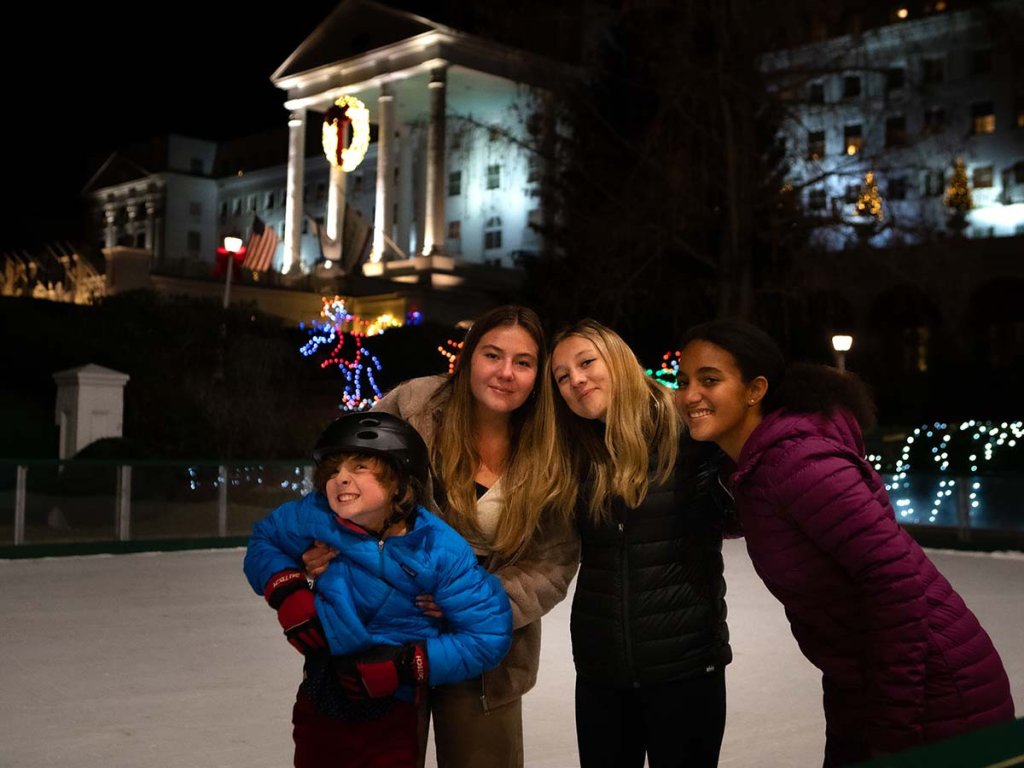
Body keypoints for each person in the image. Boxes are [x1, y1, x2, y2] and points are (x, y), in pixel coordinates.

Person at [676, 318, 1016, 767]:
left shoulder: (799, 464)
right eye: (683, 381)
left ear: (755, 389)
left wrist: (894, 732)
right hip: (872, 693)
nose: (689, 395)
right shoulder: (753, 474)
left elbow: (896, 586)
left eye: (710, 379)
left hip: (941, 697)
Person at [304, 305, 581, 768]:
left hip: (486, 656)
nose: (506, 373)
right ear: (470, 356)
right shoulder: (415, 407)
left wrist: (480, 598)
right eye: (493, 355)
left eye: (524, 362)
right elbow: (347, 472)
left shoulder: (551, 447)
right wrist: (326, 540)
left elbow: (552, 562)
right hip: (385, 634)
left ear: (538, 374)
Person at [243, 411, 513, 768]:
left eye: (359, 468)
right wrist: (289, 594)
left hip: (393, 706)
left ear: (399, 481)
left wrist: (408, 664)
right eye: (334, 471)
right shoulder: (315, 516)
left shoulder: (437, 548)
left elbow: (488, 635)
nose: (340, 479)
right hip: (320, 691)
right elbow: (264, 541)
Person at [548, 319, 733, 768]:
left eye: (587, 362)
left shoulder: (686, 430)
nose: (576, 379)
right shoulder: (571, 451)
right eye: (562, 376)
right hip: (600, 671)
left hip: (684, 666)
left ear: (618, 360)